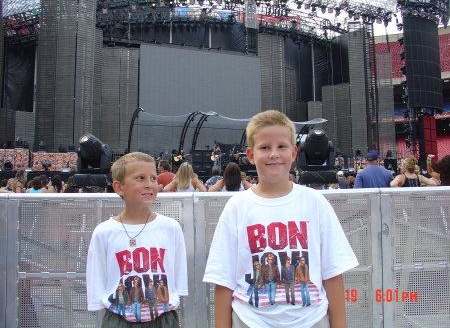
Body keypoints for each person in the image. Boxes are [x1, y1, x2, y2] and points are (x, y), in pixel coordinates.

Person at [203, 110, 358, 328]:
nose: (274, 154)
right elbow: (223, 280)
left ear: (294, 152)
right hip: (250, 321)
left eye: (281, 147)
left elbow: (332, 274)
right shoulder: (237, 207)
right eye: (265, 147)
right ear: (250, 154)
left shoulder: (315, 202)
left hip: (311, 320)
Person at [87, 152, 188, 326]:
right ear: (119, 187)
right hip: (119, 319)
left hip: (162, 318)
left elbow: (176, 281)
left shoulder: (170, 228)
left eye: (153, 178)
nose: (149, 184)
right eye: (140, 178)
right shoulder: (104, 232)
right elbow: (100, 281)